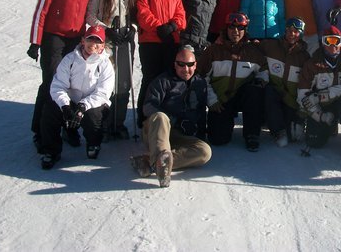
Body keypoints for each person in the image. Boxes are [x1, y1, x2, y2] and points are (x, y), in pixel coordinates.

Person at [28, 0, 92, 152]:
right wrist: (35, 41)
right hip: (54, 38)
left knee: (74, 85)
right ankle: (41, 131)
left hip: (76, 39)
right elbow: (41, 11)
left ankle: (69, 127)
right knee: (52, 83)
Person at [131, 45, 212, 187]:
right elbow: (148, 107)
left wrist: (200, 133)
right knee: (160, 116)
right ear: (175, 64)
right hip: (158, 131)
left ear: (195, 65)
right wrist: (173, 120)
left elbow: (200, 111)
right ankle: (161, 163)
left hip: (181, 136)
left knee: (205, 152)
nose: (185, 69)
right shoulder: (162, 81)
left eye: (190, 65)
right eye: (181, 64)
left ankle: (151, 161)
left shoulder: (200, 83)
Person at [39, 25, 115, 169]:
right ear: (82, 41)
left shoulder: (105, 64)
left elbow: (103, 92)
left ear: (102, 46)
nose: (92, 45)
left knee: (94, 117)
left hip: (92, 104)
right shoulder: (70, 59)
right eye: (90, 40)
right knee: (50, 110)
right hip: (71, 101)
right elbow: (58, 85)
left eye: (97, 42)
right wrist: (65, 105)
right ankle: (51, 151)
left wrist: (83, 106)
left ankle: (93, 144)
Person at [199, 12, 269, 151]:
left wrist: (261, 80)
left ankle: (252, 134)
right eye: (231, 27)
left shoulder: (252, 51)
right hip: (221, 100)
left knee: (254, 91)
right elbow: (201, 78)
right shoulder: (214, 50)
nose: (235, 31)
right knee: (218, 139)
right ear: (226, 29)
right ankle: (223, 124)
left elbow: (264, 69)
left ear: (245, 30)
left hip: (242, 96)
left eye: (240, 28)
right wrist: (212, 100)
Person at [86, 0, 136, 141]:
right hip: (105, 42)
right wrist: (105, 30)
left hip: (124, 40)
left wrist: (133, 28)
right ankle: (101, 124)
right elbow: (90, 14)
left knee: (123, 83)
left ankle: (118, 123)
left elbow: (134, 14)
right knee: (105, 84)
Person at [135, 0, 187, 127]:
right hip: (150, 41)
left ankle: (165, 116)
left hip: (170, 41)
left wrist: (172, 27)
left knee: (168, 79)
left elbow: (181, 14)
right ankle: (143, 117)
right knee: (150, 78)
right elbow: (143, 12)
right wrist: (159, 28)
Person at [298, 26, 341, 152]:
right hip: (322, 107)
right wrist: (320, 116)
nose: (333, 46)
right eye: (328, 41)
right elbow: (303, 96)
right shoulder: (312, 64)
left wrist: (323, 95)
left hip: (340, 103)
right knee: (314, 142)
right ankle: (328, 125)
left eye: (336, 41)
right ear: (322, 43)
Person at [259, 17, 311, 146]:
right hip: (275, 94)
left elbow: (306, 85)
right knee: (269, 91)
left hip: (291, 100)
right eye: (289, 30)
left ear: (301, 33)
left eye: (296, 31)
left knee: (294, 137)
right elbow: (253, 48)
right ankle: (277, 130)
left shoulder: (304, 57)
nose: (292, 34)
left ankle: (290, 124)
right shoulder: (272, 46)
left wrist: (300, 116)